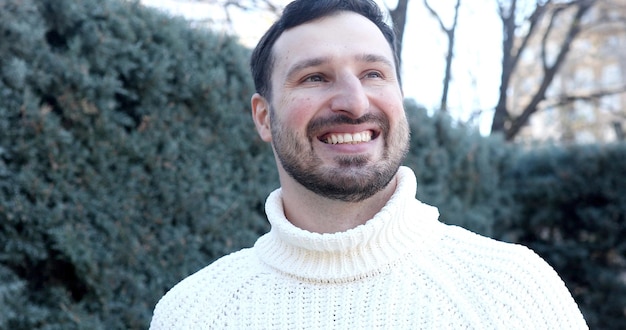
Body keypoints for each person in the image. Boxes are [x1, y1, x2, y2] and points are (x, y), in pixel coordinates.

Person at [150, 0, 588, 328]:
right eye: (315, 77)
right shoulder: (193, 313)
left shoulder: (512, 290)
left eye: (374, 74)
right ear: (264, 117)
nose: (354, 103)